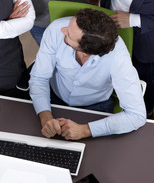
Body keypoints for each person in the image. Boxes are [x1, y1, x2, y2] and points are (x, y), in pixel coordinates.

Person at [29, 8, 146, 140]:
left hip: (96, 108)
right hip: (54, 100)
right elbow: (39, 78)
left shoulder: (118, 58)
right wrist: (45, 117)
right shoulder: (55, 29)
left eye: (68, 34)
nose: (62, 30)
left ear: (86, 50)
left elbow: (137, 115)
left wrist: (85, 130)